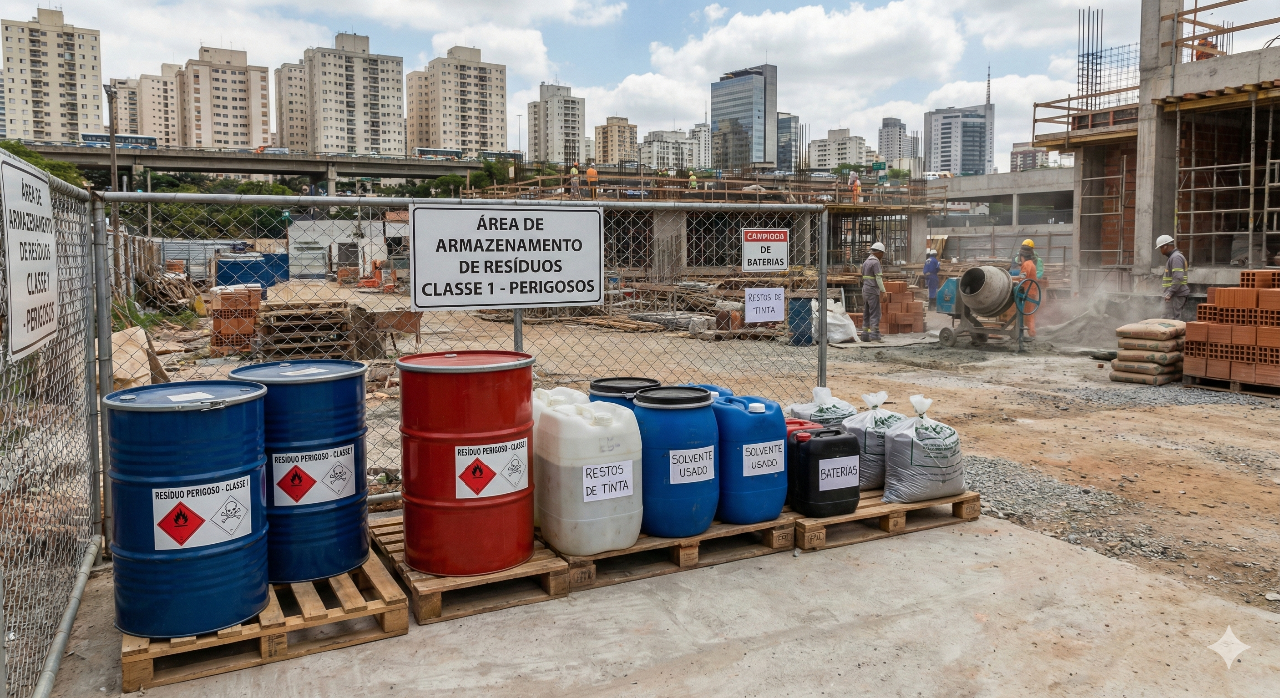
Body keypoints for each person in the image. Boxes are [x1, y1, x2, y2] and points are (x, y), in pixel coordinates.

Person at [1157, 234, 1190, 319]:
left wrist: (1169, 293)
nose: (1161, 251)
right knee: (1168, 318)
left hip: (1176, 295)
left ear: (1165, 246)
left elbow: (1178, 278)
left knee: (1172, 320)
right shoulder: (1173, 257)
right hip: (1175, 294)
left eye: (1160, 248)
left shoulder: (1176, 258)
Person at [861, 242, 887, 342]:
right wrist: (883, 291)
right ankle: (875, 335)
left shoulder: (866, 262)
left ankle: (865, 334)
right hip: (872, 290)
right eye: (882, 253)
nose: (882, 256)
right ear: (879, 252)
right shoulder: (875, 262)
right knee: (875, 313)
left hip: (865, 290)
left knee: (866, 312)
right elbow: (878, 278)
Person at [1017, 246, 1042, 338]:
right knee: (1029, 314)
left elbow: (1022, 277)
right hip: (1031, 291)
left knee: (1029, 314)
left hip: (1028, 292)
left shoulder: (1027, 264)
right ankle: (1030, 332)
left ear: (1022, 256)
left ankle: (1031, 333)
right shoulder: (1031, 263)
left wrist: (1015, 280)